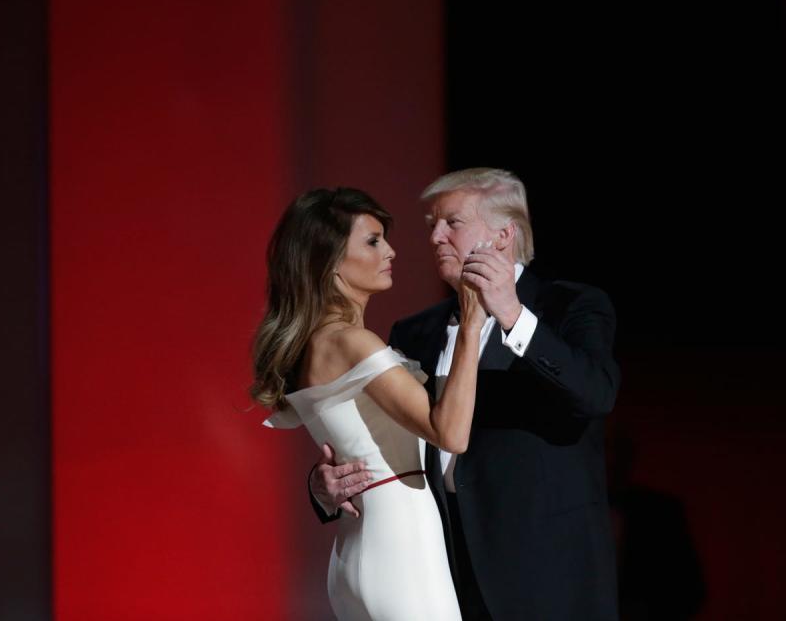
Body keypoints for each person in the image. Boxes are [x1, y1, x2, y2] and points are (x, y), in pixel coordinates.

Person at [311, 169, 621, 619]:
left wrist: (513, 314)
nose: (435, 236)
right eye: (431, 224)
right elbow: (384, 435)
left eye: (451, 223)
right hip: (441, 566)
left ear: (503, 234)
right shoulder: (414, 331)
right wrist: (322, 486)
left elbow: (596, 394)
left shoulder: (570, 306)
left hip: (546, 574)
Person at [251, 187, 487, 620]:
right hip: (402, 539)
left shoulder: (317, 344)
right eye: (373, 241)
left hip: (356, 546)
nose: (391, 251)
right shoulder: (352, 341)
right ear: (331, 261)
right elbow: (450, 433)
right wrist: (471, 325)